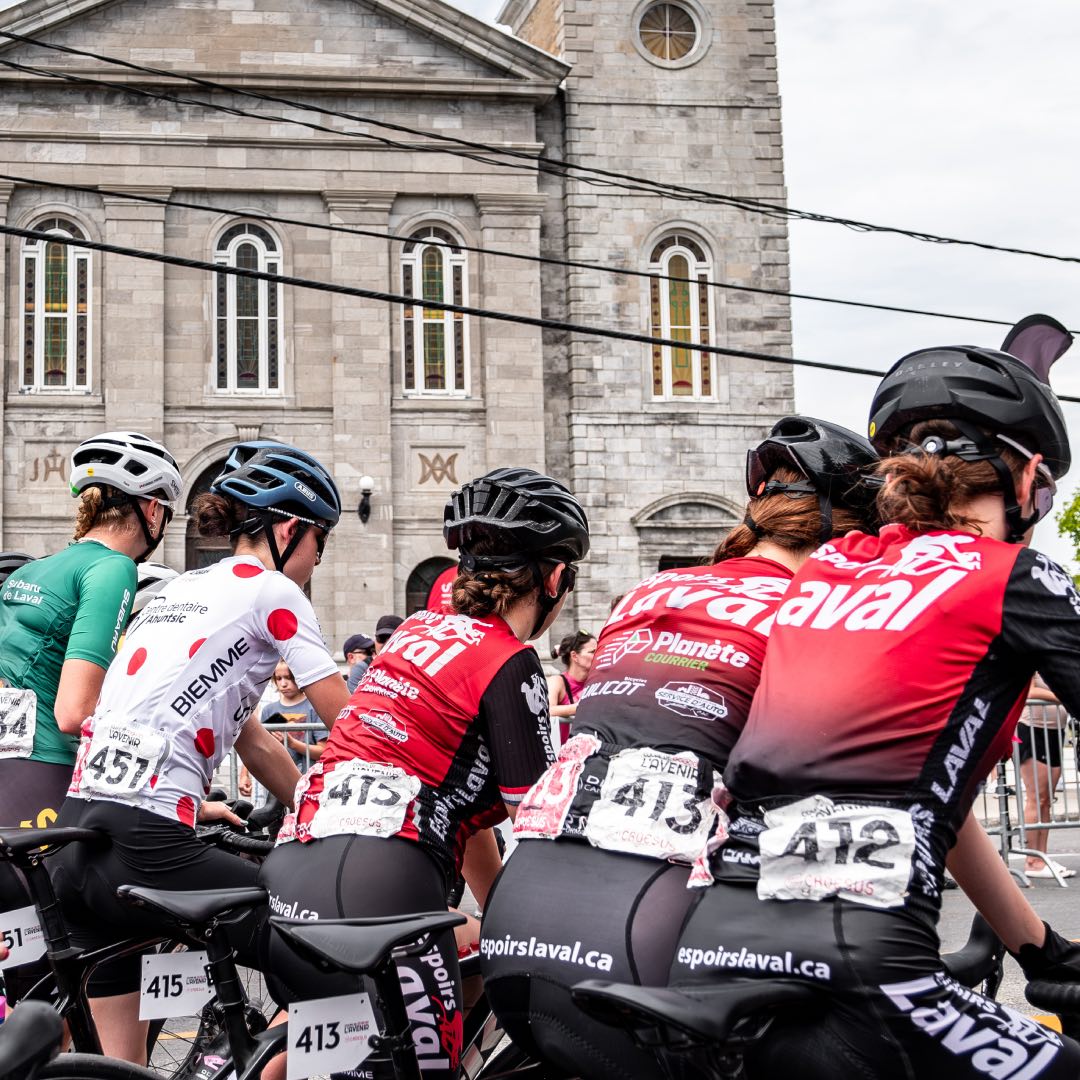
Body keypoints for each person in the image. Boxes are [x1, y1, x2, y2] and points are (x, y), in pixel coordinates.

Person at [669, 345, 1080, 1078]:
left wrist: (1041, 948)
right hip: (862, 953)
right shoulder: (1012, 574)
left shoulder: (830, 567)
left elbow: (889, 794)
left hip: (713, 940)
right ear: (1026, 479)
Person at [481, 418, 883, 1080]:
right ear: (853, 534)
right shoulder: (817, 611)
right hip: (648, 945)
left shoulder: (648, 593)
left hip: (517, 917)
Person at [259, 467, 589, 1080]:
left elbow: (464, 819)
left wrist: (500, 912)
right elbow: (539, 829)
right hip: (383, 888)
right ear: (553, 578)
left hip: (293, 877)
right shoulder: (509, 661)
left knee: (310, 1039)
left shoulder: (414, 632)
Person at [50, 441, 350, 1065]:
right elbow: (348, 722)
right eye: (321, 540)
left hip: (83, 841)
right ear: (290, 529)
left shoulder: (181, 590)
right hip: (147, 843)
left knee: (116, 1068)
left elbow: (252, 738)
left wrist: (305, 805)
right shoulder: (273, 591)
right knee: (337, 962)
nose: (319, 557)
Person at [1017, 674, 1074, 879]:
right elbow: (1029, 691)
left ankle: (1041, 857)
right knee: (1036, 797)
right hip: (1033, 729)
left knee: (1046, 801)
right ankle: (1032, 861)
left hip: (1054, 731)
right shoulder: (1033, 655)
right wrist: (1063, 696)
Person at [264, 660, 328, 769]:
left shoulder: (314, 707)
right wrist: (244, 775)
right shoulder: (269, 710)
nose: (283, 684)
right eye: (278, 678)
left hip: (308, 778)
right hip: (277, 777)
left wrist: (292, 743)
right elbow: (258, 746)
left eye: (288, 677)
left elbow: (323, 751)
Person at [546, 629, 596, 746]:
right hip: (561, 755)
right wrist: (580, 707)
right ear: (574, 656)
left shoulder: (597, 682)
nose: (598, 655)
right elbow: (548, 710)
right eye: (593, 651)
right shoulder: (557, 681)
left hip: (589, 755)